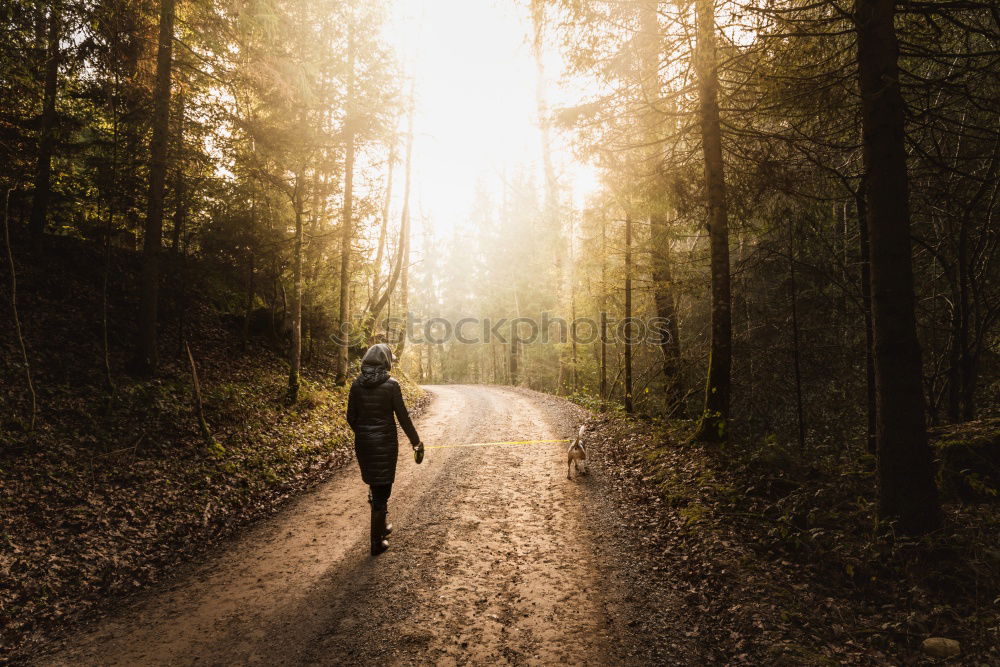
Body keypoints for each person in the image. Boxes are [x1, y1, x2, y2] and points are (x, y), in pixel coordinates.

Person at [346, 344, 421, 556]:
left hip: (364, 444)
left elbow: (351, 417)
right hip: (386, 444)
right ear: (385, 361)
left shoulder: (356, 385)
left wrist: (364, 433)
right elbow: (403, 417)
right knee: (383, 491)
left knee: (375, 484)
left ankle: (383, 525)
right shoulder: (391, 385)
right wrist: (415, 441)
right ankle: (376, 543)